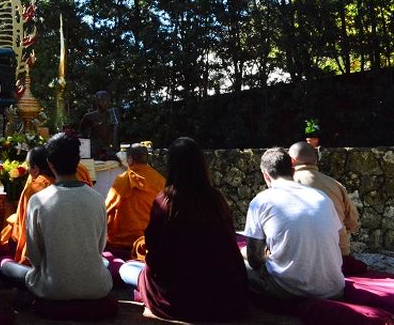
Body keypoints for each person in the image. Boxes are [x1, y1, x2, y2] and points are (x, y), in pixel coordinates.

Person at [118, 137, 248, 321]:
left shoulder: (166, 200)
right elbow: (229, 245)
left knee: (126, 269)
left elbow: (155, 252)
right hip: (223, 295)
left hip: (176, 299)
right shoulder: (216, 200)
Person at [0, 133, 112, 300]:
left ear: (49, 164)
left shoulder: (38, 200)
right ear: (78, 162)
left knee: (7, 268)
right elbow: (99, 248)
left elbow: (34, 257)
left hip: (52, 288)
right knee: (105, 263)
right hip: (98, 287)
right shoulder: (98, 199)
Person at [242, 147, 344, 299]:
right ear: (293, 170)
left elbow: (255, 259)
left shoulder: (261, 201)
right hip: (335, 289)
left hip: (289, 291)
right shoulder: (322, 197)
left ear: (265, 175)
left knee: (239, 265)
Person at [289, 141, 362, 271]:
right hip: (338, 255)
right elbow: (352, 222)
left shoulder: (286, 185)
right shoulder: (335, 185)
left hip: (297, 255)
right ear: (316, 161)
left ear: (292, 161)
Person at [0, 146, 56, 265]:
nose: (28, 170)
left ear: (36, 169)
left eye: (29, 166)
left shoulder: (35, 188)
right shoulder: (61, 183)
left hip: (36, 257)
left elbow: (23, 227)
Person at [105, 144, 165, 254]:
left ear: (130, 159)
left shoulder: (123, 180)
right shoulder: (160, 180)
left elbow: (107, 209)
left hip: (124, 243)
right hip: (150, 240)